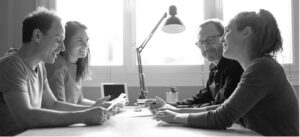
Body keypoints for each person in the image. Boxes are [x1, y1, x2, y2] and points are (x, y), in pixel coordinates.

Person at [153, 9, 299, 136]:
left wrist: (175, 117)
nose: (222, 38)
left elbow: (223, 117)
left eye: (227, 31)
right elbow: (224, 108)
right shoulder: (255, 68)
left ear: (246, 33)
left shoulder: (262, 68)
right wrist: (176, 111)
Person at [0, 8, 109, 136]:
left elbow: (53, 104)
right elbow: (26, 117)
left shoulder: (40, 66)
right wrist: (83, 116)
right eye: (58, 40)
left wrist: (92, 110)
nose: (62, 47)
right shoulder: (11, 66)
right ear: (37, 36)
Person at [148, 19, 243, 113]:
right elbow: (202, 98)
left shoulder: (234, 66)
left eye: (210, 39)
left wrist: (175, 109)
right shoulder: (214, 69)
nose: (205, 46)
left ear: (224, 38)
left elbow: (219, 106)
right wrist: (169, 105)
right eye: (201, 42)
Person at [45, 21, 112, 108]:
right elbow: (59, 108)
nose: (85, 45)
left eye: (87, 40)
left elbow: (79, 101)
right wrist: (92, 109)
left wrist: (106, 106)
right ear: (65, 42)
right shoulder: (56, 66)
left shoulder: (75, 66)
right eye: (79, 40)